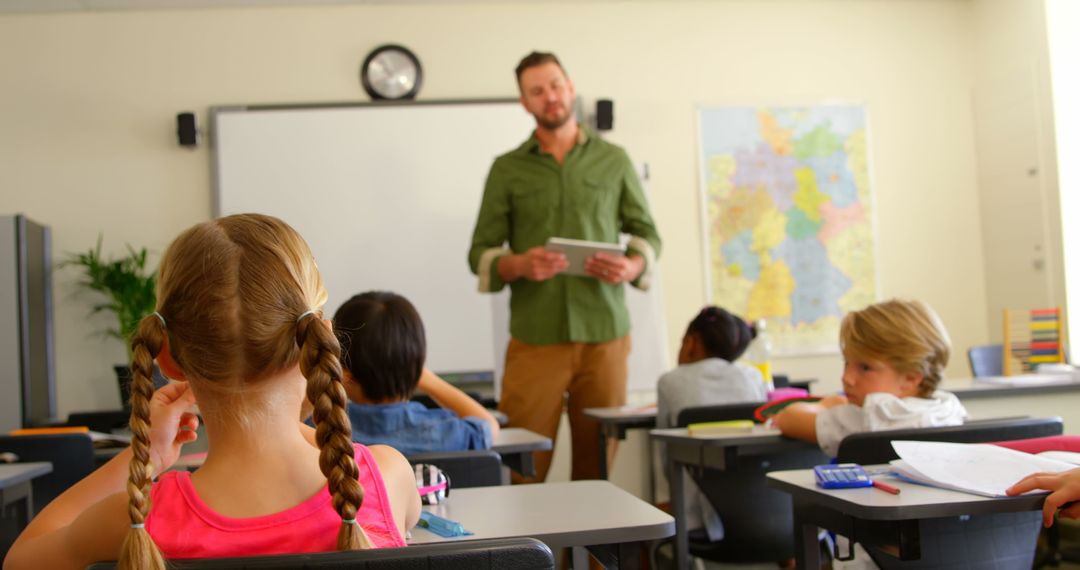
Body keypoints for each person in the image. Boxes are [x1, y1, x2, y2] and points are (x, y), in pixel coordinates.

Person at [4, 214, 420, 570]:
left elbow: (20, 559)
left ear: (166, 359)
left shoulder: (137, 521)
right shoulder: (386, 477)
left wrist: (143, 456)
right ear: (319, 343)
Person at [468, 51, 662, 482]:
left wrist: (630, 266)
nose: (550, 97)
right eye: (537, 91)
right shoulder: (507, 169)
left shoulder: (614, 160)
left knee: (597, 470)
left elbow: (648, 233)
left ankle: (592, 555)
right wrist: (518, 263)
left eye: (555, 85)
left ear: (570, 88)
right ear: (524, 102)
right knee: (521, 466)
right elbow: (478, 251)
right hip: (536, 338)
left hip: (605, 335)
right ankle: (526, 553)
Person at [773, 298, 968, 457]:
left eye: (865, 368)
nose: (847, 378)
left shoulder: (874, 415)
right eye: (846, 363)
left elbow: (788, 419)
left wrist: (826, 405)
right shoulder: (949, 407)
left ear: (911, 377)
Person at [333, 290, 500, 454]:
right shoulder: (444, 433)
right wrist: (428, 379)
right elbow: (488, 426)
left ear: (343, 369)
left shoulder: (323, 432)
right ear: (418, 363)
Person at [656, 305, 767, 541]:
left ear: (692, 342)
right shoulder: (753, 377)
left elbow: (666, 458)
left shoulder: (669, 382)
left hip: (696, 520)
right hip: (763, 512)